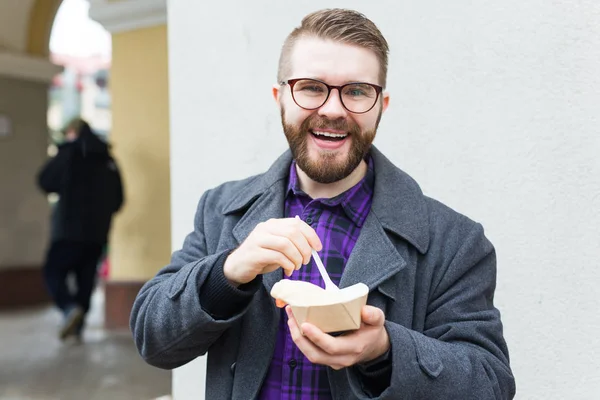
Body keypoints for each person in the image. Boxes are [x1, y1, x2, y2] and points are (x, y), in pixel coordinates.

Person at [130, 9, 515, 399]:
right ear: (280, 98)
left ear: (381, 105)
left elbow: (491, 384)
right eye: (312, 87)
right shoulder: (221, 210)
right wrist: (228, 273)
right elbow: (153, 341)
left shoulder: (456, 241)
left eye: (357, 91)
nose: (333, 109)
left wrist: (384, 350)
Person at [38, 118, 124, 341]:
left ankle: (68, 308)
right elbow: (118, 199)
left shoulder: (69, 154)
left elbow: (45, 180)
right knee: (86, 277)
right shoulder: (107, 159)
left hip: (68, 229)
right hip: (97, 232)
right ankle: (78, 326)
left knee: (53, 270)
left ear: (73, 132)